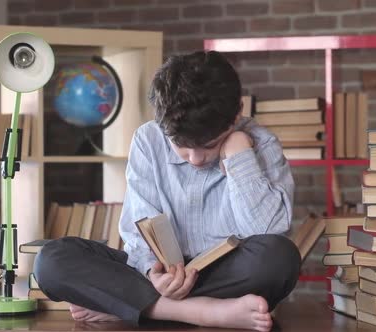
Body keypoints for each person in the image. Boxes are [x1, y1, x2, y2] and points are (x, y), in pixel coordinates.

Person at [34, 50, 300, 332]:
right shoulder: (149, 140)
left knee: (281, 258)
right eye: (182, 147)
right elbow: (138, 230)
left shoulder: (261, 143)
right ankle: (202, 312)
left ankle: (131, 306)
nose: (196, 159)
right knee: (51, 260)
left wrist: (239, 155)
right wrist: (152, 273)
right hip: (157, 276)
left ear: (237, 113)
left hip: (224, 273)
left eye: (210, 145)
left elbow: (270, 230)